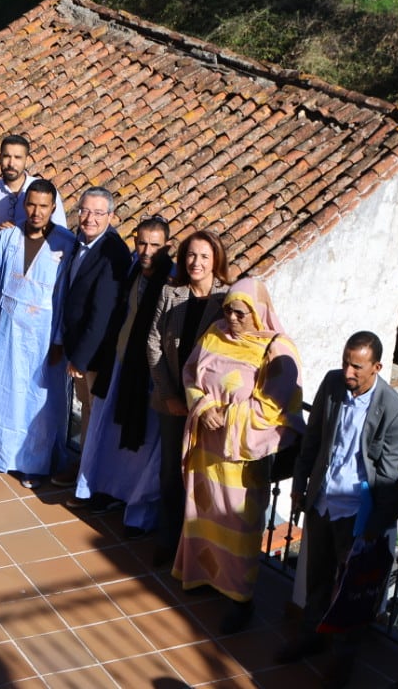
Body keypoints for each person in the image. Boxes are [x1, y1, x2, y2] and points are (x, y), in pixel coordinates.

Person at [173, 278, 304, 634]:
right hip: (206, 449)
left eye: (240, 312)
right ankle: (200, 576)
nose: (232, 318)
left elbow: (273, 409)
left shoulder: (278, 351)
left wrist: (225, 417)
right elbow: (190, 374)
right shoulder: (214, 333)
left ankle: (238, 597)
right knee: (203, 513)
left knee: (238, 525)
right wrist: (202, 406)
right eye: (228, 310)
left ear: (258, 313)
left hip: (241, 457)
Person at [279, 330, 398, 684]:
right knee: (317, 577)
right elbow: (315, 438)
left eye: (357, 366)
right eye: (345, 363)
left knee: (350, 590)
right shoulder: (333, 384)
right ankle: (311, 637)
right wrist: (300, 484)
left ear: (377, 367)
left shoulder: (396, 412)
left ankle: (343, 659)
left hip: (357, 512)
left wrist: (373, 526)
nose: (348, 372)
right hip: (323, 500)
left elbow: (387, 474)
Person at [0, 180, 75, 487]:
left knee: (38, 401)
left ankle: (34, 464)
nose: (37, 212)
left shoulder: (65, 244)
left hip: (45, 335)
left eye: (44, 206)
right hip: (7, 328)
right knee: (3, 391)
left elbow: (67, 295)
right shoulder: (8, 236)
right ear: (24, 204)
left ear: (54, 208)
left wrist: (59, 341)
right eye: (31, 204)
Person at [69, 216, 171, 526]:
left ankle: (136, 506)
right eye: (142, 242)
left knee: (143, 446)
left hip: (149, 378)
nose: (147, 250)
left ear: (167, 246)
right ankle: (108, 491)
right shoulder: (131, 271)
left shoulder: (172, 283)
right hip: (120, 367)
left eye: (155, 244)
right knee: (111, 438)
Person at [145, 228, 229, 562]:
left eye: (204, 257)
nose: (196, 262)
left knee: (203, 477)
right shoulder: (171, 293)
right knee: (170, 473)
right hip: (172, 401)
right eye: (191, 255)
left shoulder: (226, 301)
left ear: (216, 261)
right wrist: (168, 394)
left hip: (207, 406)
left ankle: (196, 548)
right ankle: (169, 541)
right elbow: (152, 342)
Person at [52, 186, 131, 485]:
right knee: (86, 410)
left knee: (92, 415)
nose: (89, 218)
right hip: (78, 347)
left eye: (98, 213)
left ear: (111, 216)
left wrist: (81, 358)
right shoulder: (81, 242)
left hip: (95, 354)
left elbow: (102, 313)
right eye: (85, 211)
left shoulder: (113, 254)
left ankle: (87, 476)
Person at [0, 134, 66, 229]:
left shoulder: (46, 192)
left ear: (27, 160)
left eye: (17, 157)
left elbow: (60, 232)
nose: (11, 163)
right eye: (7, 156)